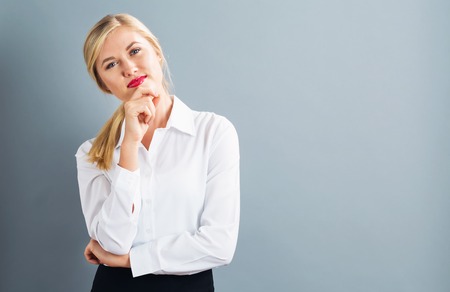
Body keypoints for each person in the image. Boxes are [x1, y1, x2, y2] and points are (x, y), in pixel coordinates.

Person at [75, 13, 240, 291]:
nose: (129, 68)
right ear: (104, 84)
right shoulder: (91, 153)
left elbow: (219, 245)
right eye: (112, 64)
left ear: (157, 53)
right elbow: (112, 242)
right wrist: (129, 146)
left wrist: (131, 260)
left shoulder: (213, 132)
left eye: (135, 51)